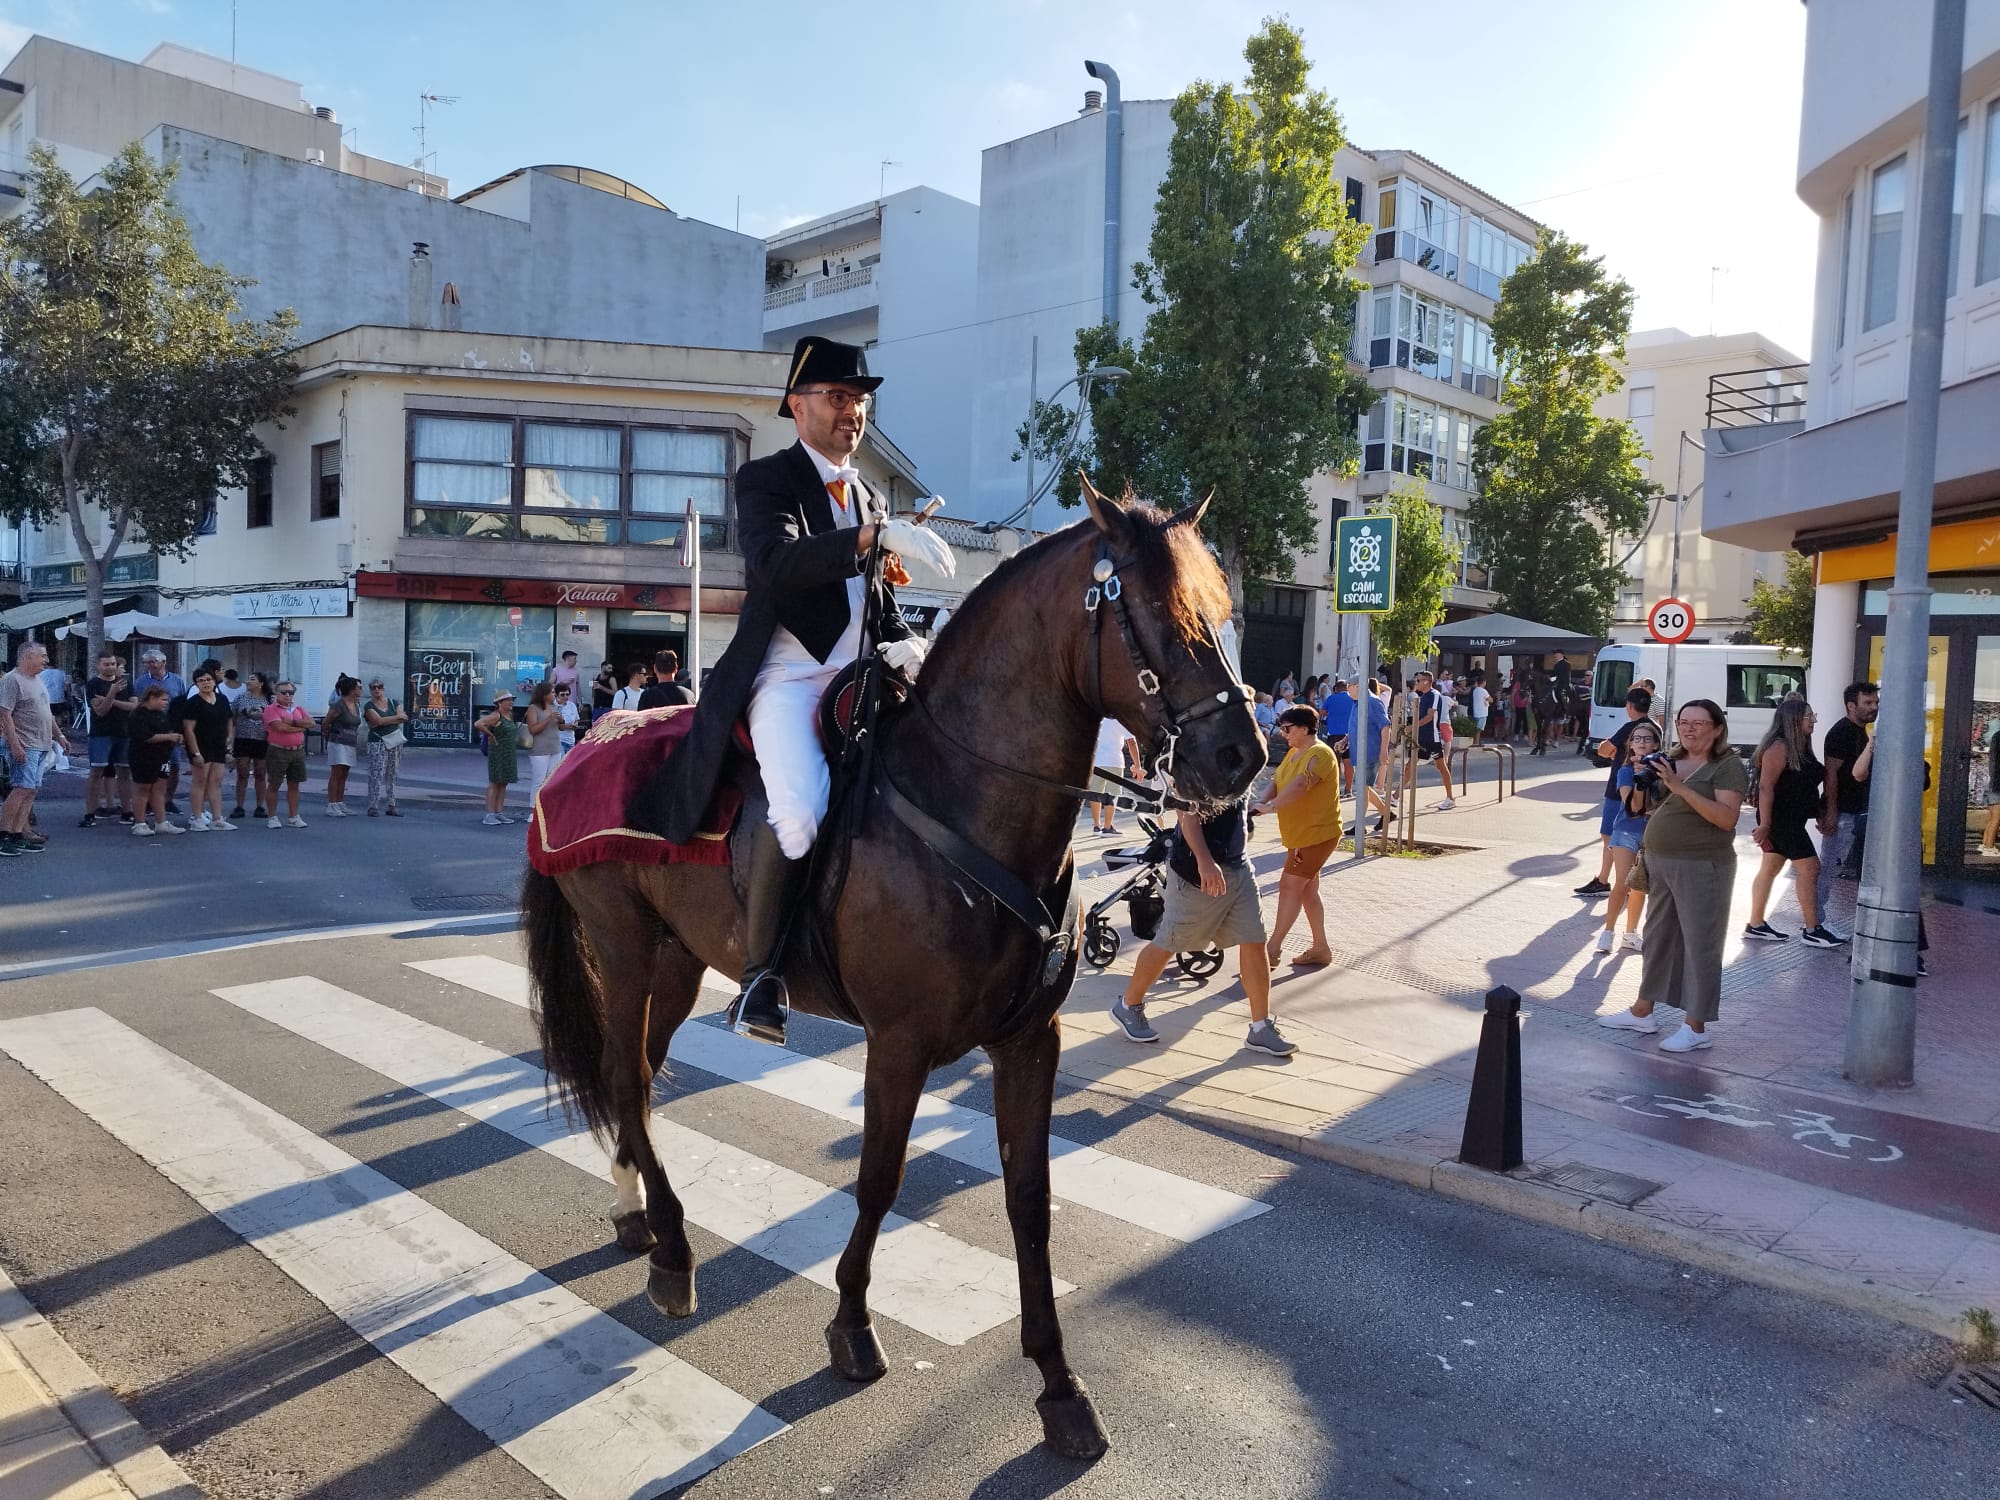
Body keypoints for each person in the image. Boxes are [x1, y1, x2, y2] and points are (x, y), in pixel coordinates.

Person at [633, 335, 952, 1047]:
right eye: (839, 398)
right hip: (787, 676)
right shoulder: (767, 480)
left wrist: (907, 638)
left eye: (860, 402)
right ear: (797, 404)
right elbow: (777, 566)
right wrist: (873, 537)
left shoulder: (867, 492)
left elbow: (871, 600)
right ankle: (760, 977)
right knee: (802, 810)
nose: (853, 414)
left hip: (860, 676)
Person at [1599, 699, 1747, 1052]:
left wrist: (1679, 786)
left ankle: (1696, 1027)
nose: (1689, 728)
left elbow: (1727, 819)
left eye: (1698, 722)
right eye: (1684, 722)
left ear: (1717, 727)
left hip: (1703, 866)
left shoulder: (1726, 766)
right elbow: (1639, 809)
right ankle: (1642, 1011)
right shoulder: (1671, 760)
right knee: (1658, 937)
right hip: (1660, 861)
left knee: (1700, 944)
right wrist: (1639, 779)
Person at [1109, 797, 1297, 1056]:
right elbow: (1188, 817)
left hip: (1238, 867)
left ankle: (1260, 1027)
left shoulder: (1239, 761)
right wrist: (1205, 862)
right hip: (1196, 874)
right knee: (1171, 941)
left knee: (1254, 939)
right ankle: (1128, 1005)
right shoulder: (1194, 762)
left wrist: (1257, 804)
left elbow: (1233, 803)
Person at [1253, 705, 1344, 967]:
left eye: (1287, 728)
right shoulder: (1294, 752)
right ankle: (1320, 948)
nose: (1283, 734)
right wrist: (1259, 802)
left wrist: (1271, 808)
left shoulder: (1320, 754)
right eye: (1281, 728)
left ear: (1305, 728)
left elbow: (1302, 785)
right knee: (1307, 892)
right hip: (1300, 836)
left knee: (1289, 886)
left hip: (1317, 835)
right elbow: (1278, 781)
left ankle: (1271, 950)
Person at [1744, 698, 1840, 947]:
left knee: (1770, 868)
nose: (1814, 720)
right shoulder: (1779, 747)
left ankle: (1755, 924)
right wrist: (1765, 824)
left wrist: (1819, 810)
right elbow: (1766, 787)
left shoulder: (1801, 746)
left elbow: (1804, 784)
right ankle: (1812, 928)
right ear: (1794, 720)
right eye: (1809, 716)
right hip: (1780, 821)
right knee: (1810, 868)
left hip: (1791, 819)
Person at [1576, 687, 1657, 898]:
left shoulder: (1630, 727)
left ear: (1629, 706)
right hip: (1647, 788)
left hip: (1618, 787)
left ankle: (1606, 880)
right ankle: (1626, 881)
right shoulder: (1654, 727)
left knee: (1610, 836)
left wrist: (1610, 748)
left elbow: (1603, 750)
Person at [1594, 720, 1662, 954]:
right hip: (1625, 831)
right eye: (1637, 739)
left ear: (1655, 745)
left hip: (1651, 833)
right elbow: (1631, 804)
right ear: (1630, 745)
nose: (1641, 743)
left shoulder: (1662, 771)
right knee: (1623, 883)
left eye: (1647, 739)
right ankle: (1608, 932)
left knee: (1639, 886)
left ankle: (1631, 933)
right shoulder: (1624, 771)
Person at [1815, 681, 1878, 930]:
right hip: (1843, 813)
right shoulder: (1841, 732)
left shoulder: (1861, 732)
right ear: (1851, 705)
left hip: (1855, 811)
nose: (1874, 708)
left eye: (1875, 703)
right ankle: (1815, 921)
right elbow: (1830, 774)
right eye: (1868, 703)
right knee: (1830, 867)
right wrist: (1831, 812)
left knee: (1835, 866)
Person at [0, 642, 72, 856]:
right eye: (42, 656)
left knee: (32, 789)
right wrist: (15, 745)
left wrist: (59, 735)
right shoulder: (12, 680)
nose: (46, 660)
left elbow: (46, 711)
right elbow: (5, 714)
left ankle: (18, 833)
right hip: (26, 743)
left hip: (42, 743)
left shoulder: (38, 680)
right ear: (26, 657)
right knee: (21, 788)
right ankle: (4, 834)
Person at [179, 667, 237, 830]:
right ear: (196, 684)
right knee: (200, 781)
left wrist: (229, 738)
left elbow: (229, 719)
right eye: (201, 680)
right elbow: (188, 729)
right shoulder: (193, 703)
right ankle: (197, 818)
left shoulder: (222, 699)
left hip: (218, 745)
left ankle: (217, 818)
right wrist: (195, 752)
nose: (205, 683)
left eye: (208, 679)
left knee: (216, 782)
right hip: (200, 745)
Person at [125, 685, 186, 837]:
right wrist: (169, 737)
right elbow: (146, 737)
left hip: (162, 756)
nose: (166, 703)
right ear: (152, 698)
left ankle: (161, 822)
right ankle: (139, 822)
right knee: (142, 789)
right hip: (143, 756)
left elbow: (166, 730)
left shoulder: (160, 714)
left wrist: (175, 737)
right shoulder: (139, 715)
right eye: (163, 700)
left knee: (159, 789)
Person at [83, 650, 136, 827]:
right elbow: (100, 711)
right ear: (98, 665)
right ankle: (90, 812)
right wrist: (112, 692)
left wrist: (111, 700)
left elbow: (134, 706)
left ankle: (127, 811)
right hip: (101, 734)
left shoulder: (127, 683)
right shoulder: (93, 685)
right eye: (106, 664)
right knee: (96, 772)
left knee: (124, 772)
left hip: (124, 733)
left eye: (113, 664)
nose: (111, 667)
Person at [133, 650, 186, 814]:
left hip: (172, 727)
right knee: (152, 767)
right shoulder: (141, 681)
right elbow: (137, 704)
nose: (150, 665)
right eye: (146, 662)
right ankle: (150, 802)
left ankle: (168, 800)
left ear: (163, 662)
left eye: (152, 661)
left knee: (174, 766)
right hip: (150, 727)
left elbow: (181, 703)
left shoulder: (176, 680)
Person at [262, 682, 314, 827]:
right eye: (284, 692)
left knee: (294, 784)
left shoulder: (298, 708)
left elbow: (311, 723)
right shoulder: (271, 709)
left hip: (297, 751)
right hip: (278, 750)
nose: (287, 695)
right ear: (276, 693)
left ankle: (293, 816)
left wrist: (292, 722)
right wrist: (300, 727)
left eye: (290, 692)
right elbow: (280, 727)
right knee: (274, 783)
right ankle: (272, 817)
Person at [1409, 670, 1457, 811]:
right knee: (1409, 765)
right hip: (1422, 736)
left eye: (1418, 680)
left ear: (1427, 682)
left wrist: (1411, 727)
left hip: (1432, 737)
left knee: (1441, 766)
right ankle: (1395, 796)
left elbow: (1430, 717)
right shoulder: (1423, 696)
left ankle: (1450, 797)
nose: (1416, 683)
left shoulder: (1434, 695)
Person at [363, 677, 408, 817]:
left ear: (383, 688)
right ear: (370, 690)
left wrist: (383, 721)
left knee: (393, 774)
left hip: (394, 742)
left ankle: (391, 805)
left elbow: (404, 718)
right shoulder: (369, 706)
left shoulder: (393, 702)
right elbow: (377, 720)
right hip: (377, 742)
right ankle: (373, 806)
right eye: (373, 687)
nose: (377, 689)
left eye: (379, 686)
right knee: (376, 774)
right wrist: (395, 718)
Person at [230, 672, 272, 821]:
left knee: (261, 773)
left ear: (261, 683)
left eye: (252, 679)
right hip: (243, 738)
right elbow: (232, 717)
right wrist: (230, 737)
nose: (248, 681)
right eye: (248, 678)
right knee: (242, 772)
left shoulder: (269, 699)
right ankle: (239, 806)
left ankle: (260, 806)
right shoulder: (240, 698)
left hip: (262, 739)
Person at [475, 690, 521, 825]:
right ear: (500, 703)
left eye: (512, 700)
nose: (511, 702)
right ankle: (489, 814)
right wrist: (490, 734)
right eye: (508, 700)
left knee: (503, 782)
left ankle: (499, 812)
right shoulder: (496, 715)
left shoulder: (509, 715)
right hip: (498, 752)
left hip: (509, 752)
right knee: (495, 782)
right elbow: (478, 724)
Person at [320, 676, 363, 816]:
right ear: (351, 690)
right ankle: (331, 804)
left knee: (344, 773)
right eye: (359, 687)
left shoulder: (356, 704)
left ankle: (340, 802)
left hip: (350, 742)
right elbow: (326, 722)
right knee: (336, 772)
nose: (361, 689)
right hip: (338, 742)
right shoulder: (338, 705)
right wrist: (329, 736)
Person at [1089, 718, 1139, 836]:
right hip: (1114, 761)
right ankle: (1107, 827)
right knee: (1112, 794)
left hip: (1097, 760)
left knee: (1095, 793)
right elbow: (1131, 742)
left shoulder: (1099, 717)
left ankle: (1096, 826)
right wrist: (1137, 764)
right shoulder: (1122, 719)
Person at [522, 681, 559, 804]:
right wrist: (548, 719)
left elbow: (559, 727)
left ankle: (547, 809)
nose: (555, 695)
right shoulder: (533, 708)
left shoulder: (554, 707)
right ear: (544, 694)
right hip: (540, 749)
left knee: (552, 780)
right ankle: (534, 810)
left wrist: (563, 722)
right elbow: (533, 729)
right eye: (552, 692)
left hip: (555, 748)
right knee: (539, 780)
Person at [553, 681, 580, 765]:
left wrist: (575, 725)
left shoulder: (572, 705)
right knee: (561, 765)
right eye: (562, 694)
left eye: (567, 694)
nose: (565, 697)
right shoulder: (553, 707)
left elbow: (576, 719)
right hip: (558, 740)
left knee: (569, 765)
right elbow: (554, 725)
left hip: (571, 739)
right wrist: (566, 726)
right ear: (556, 695)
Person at [1469, 673, 1492, 746]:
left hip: (1476, 712)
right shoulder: (1483, 691)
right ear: (1484, 682)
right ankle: (1476, 742)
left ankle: (1475, 741)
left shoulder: (1475, 690)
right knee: (1479, 729)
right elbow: (1490, 700)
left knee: (1476, 728)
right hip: (1482, 712)